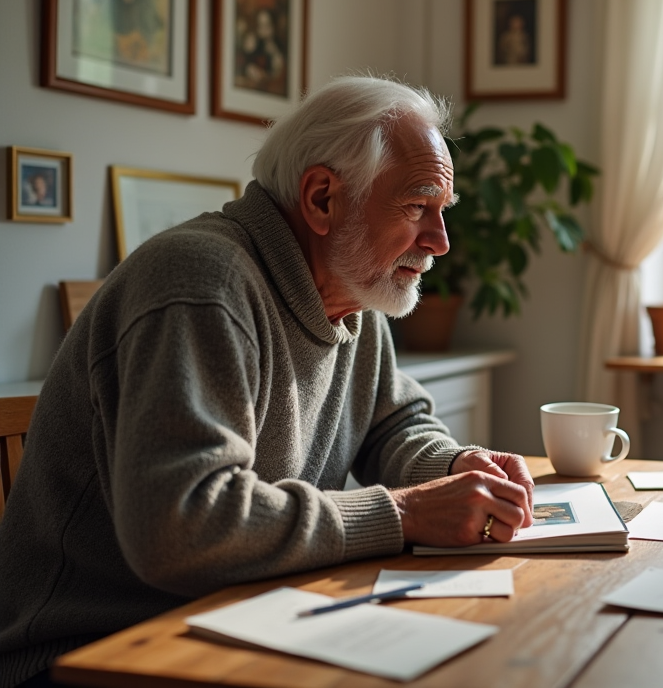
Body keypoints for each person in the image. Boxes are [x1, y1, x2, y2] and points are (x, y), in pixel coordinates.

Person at [0, 77, 536, 687]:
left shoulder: (353, 293)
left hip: (245, 617)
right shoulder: (202, 281)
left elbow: (394, 424)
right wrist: (405, 512)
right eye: (417, 206)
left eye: (444, 211)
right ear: (322, 199)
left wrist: (456, 466)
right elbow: (182, 526)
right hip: (93, 655)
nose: (440, 241)